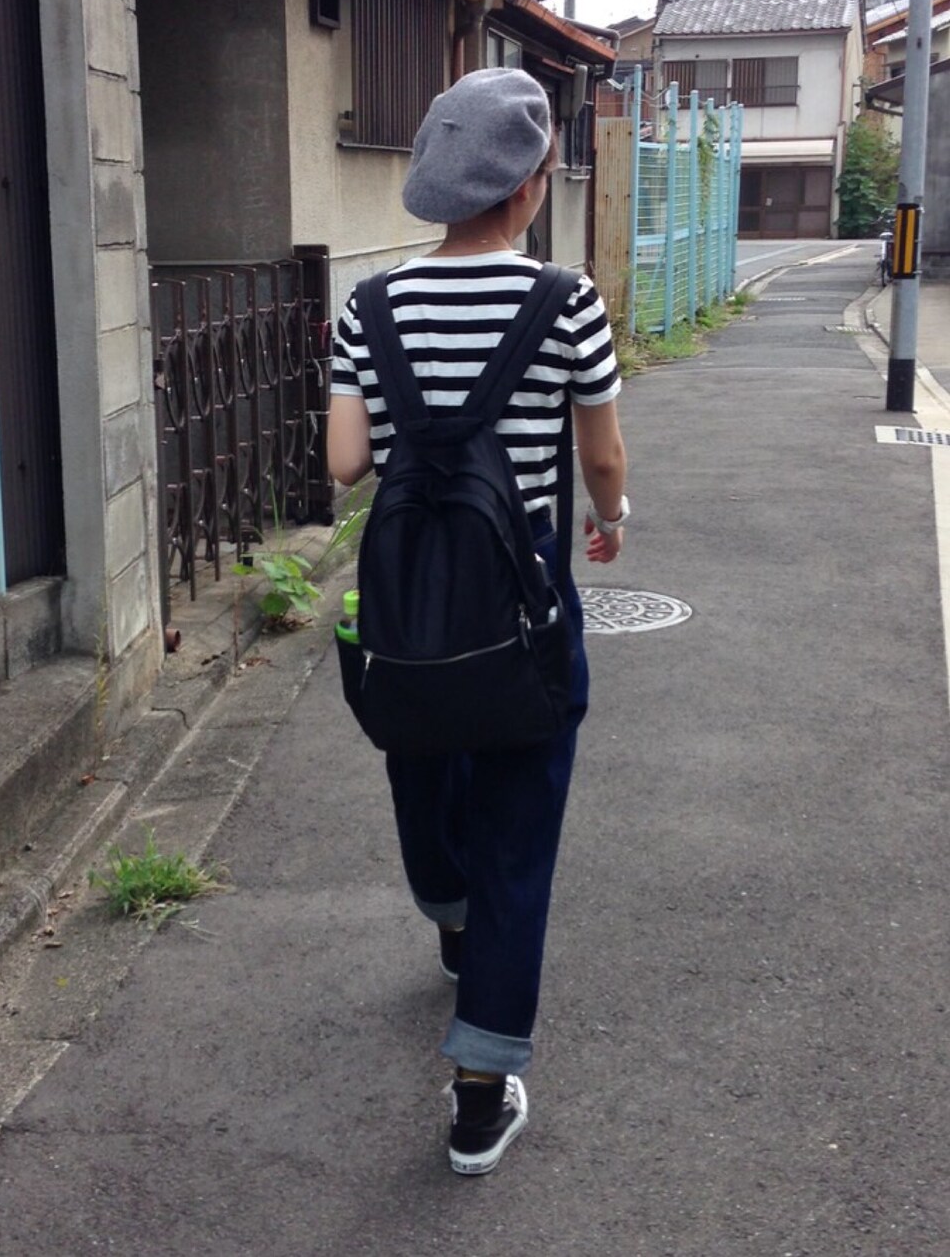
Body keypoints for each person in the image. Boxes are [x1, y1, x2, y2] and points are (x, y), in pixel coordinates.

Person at [328, 67, 627, 1176]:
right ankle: (479, 1093)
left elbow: (346, 462)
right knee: (518, 830)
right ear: (530, 184)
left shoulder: (369, 306)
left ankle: (447, 913)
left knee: (423, 753)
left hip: (409, 599)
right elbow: (600, 453)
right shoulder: (566, 301)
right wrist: (611, 517)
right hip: (525, 602)